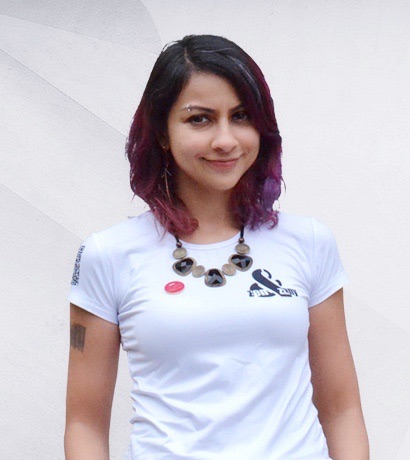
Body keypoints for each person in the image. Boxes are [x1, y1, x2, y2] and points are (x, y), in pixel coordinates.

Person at [64, 34, 369, 459]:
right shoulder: (107, 255)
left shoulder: (310, 242)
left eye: (241, 116)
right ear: (162, 132)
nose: (225, 140)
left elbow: (342, 409)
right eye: (200, 119)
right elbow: (84, 424)